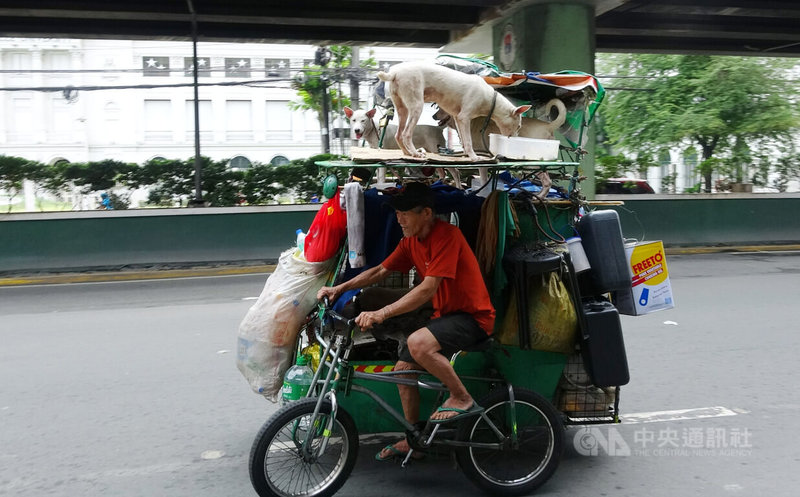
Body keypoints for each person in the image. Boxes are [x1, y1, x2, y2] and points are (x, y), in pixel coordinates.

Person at [316, 182, 495, 461]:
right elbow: (379, 270)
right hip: (443, 315)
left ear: (426, 213)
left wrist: (381, 314)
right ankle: (415, 438)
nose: (399, 219)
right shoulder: (410, 241)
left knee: (418, 342)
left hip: (472, 317)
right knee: (403, 369)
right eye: (397, 213)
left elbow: (426, 289)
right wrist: (339, 289)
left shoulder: (447, 236)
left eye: (405, 213)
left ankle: (461, 397)